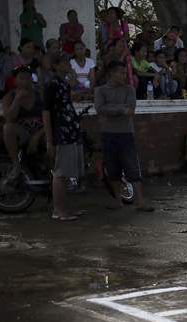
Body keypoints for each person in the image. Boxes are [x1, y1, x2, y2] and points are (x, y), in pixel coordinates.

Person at [94, 60, 152, 211]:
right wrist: (120, 110)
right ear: (111, 73)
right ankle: (118, 200)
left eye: (125, 72)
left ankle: (140, 201)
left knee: (132, 168)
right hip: (108, 133)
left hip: (125, 133)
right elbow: (100, 109)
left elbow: (130, 110)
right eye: (121, 72)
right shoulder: (100, 90)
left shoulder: (129, 90)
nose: (124, 75)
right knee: (113, 169)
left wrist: (111, 109)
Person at [42, 53, 84, 220]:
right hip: (61, 133)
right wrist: (49, 140)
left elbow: (75, 90)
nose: (69, 65)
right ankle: (58, 210)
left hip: (69, 131)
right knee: (60, 173)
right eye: (65, 62)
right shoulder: (52, 85)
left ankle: (63, 208)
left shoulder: (62, 83)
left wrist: (72, 77)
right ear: (57, 65)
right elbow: (46, 112)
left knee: (65, 173)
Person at [2, 66, 44, 181]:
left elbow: (51, 117)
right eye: (21, 78)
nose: (25, 81)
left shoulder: (40, 94)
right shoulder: (9, 96)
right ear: (15, 80)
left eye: (28, 78)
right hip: (22, 131)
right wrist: (17, 99)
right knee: (7, 128)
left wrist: (36, 136)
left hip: (42, 131)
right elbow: (9, 119)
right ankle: (16, 165)